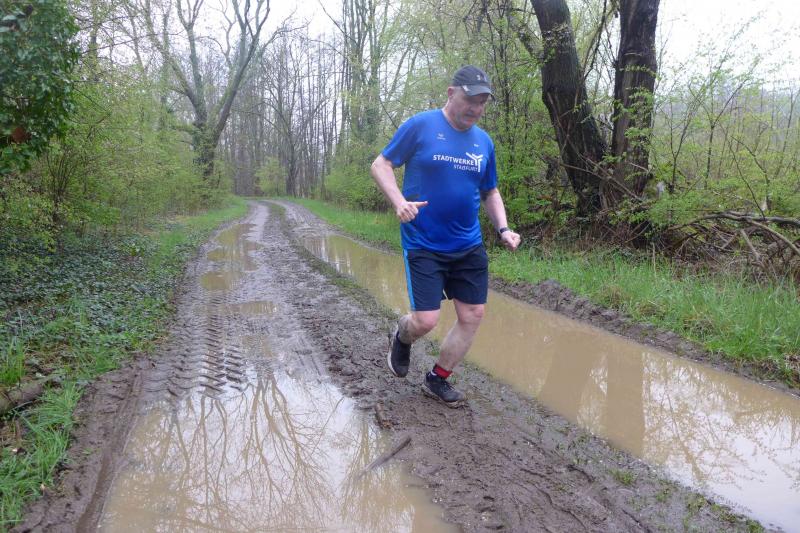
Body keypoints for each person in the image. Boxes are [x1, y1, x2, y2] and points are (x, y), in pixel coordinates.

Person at [370, 65, 521, 407]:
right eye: (471, 100)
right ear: (451, 93)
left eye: (482, 103)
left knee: (473, 315)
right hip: (424, 242)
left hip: (468, 244)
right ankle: (402, 335)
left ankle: (437, 379)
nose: (476, 108)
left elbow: (490, 191)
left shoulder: (484, 142)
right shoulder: (420, 125)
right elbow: (381, 165)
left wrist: (503, 228)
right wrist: (399, 202)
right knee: (425, 321)